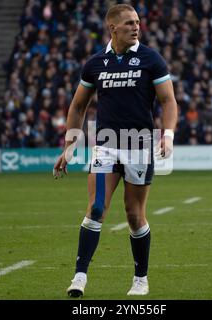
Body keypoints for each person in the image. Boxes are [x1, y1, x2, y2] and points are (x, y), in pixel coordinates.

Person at [53, 4, 177, 297]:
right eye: (129, 23)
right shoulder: (95, 63)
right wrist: (70, 146)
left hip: (139, 146)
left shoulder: (151, 59)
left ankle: (140, 279)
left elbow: (168, 101)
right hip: (106, 146)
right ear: (113, 28)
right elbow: (78, 105)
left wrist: (168, 135)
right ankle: (80, 277)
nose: (136, 27)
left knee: (134, 215)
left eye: (137, 22)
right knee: (97, 208)